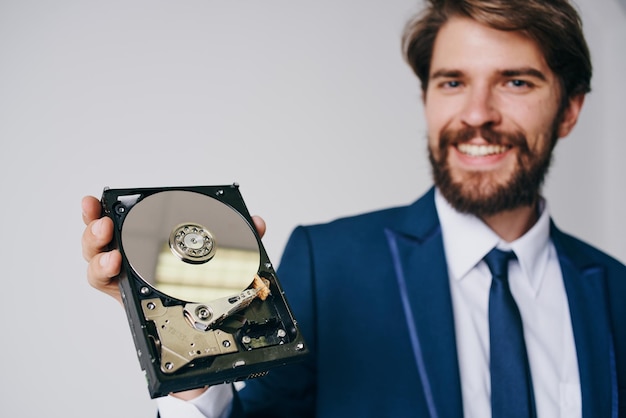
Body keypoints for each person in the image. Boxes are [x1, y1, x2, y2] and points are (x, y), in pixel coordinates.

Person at [82, 0, 626, 416]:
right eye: (453, 82)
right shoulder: (329, 265)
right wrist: (188, 354)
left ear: (569, 109)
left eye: (515, 81)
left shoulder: (618, 294)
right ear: (427, 99)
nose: (476, 114)